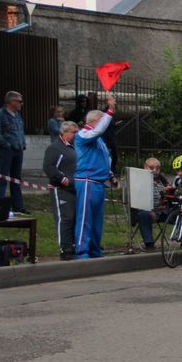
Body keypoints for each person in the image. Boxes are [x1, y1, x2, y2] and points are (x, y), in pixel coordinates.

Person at [73, 96, 116, 259]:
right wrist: (110, 110)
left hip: (98, 182)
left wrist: (110, 174)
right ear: (95, 121)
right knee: (85, 219)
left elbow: (105, 159)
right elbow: (98, 130)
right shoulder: (83, 134)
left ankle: (94, 249)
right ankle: (82, 251)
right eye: (102, 120)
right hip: (86, 181)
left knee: (97, 221)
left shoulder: (98, 140)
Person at [42, 120, 78, 260]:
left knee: (73, 218)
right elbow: (49, 167)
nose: (76, 135)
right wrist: (64, 180)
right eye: (74, 132)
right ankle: (65, 247)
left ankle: (73, 245)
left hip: (74, 189)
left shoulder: (73, 147)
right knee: (65, 218)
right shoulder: (55, 148)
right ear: (64, 132)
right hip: (62, 189)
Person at [0, 91, 27, 214]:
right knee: (2, 179)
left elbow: (20, 131)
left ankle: (18, 207)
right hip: (6, 151)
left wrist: (23, 144)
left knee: (16, 179)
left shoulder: (17, 115)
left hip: (18, 150)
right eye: (19, 101)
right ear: (11, 101)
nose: (21, 104)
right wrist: (7, 145)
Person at [134, 158, 170, 252]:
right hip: (145, 209)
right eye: (151, 167)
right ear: (145, 167)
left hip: (162, 210)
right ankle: (149, 244)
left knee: (180, 211)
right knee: (143, 214)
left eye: (157, 168)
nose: (154, 170)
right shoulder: (138, 180)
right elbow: (136, 199)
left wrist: (168, 194)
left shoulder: (163, 180)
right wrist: (150, 210)